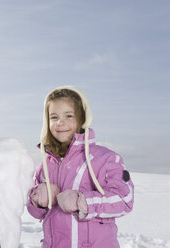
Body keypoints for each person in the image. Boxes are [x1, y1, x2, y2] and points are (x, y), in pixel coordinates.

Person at [27, 86, 134, 248]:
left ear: (82, 118)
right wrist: (36, 200)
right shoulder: (45, 165)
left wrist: (82, 202)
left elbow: (125, 200)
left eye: (69, 116)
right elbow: (37, 213)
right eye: (53, 117)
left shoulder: (105, 159)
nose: (60, 122)